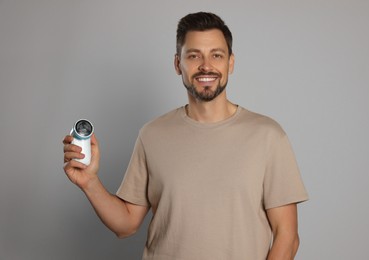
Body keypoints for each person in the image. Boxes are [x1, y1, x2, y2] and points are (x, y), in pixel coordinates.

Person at [63, 12, 308, 260]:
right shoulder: (152, 135)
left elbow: (287, 237)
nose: (206, 65)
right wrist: (90, 183)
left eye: (216, 55)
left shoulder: (268, 136)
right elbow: (126, 224)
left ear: (230, 63)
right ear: (177, 64)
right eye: (194, 56)